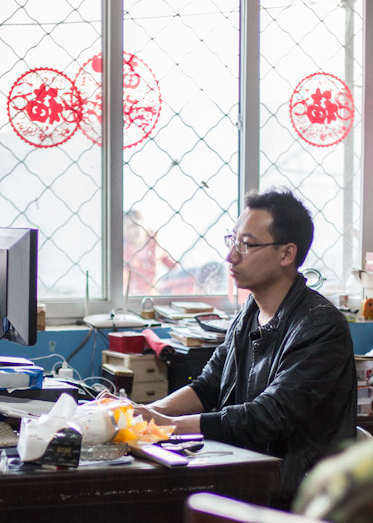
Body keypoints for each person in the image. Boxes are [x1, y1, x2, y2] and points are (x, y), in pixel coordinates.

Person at [132, 188, 356, 508]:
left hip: (299, 498)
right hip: (250, 478)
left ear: (286, 254)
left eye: (246, 245)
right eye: (232, 241)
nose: (231, 256)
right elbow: (208, 385)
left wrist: (165, 426)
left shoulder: (320, 326)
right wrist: (145, 414)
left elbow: (268, 416)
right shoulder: (248, 314)